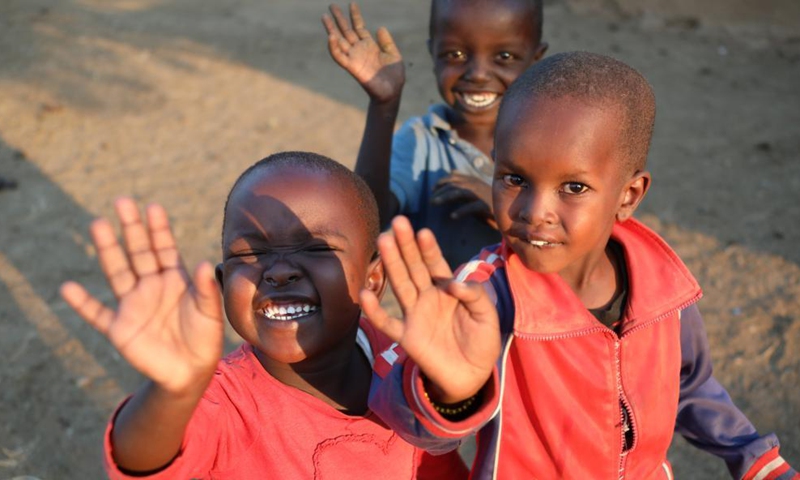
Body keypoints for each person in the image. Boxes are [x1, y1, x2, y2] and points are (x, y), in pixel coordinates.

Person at [360, 53, 799, 479]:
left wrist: (752, 457)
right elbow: (414, 429)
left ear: (628, 196)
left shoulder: (663, 287)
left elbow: (689, 386)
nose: (535, 211)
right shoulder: (485, 296)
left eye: (573, 186)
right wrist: (446, 392)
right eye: (515, 179)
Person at [60, 152, 468, 479]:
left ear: (372, 277)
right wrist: (175, 393)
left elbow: (442, 443)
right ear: (222, 282)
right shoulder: (225, 402)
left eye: (315, 248)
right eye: (249, 254)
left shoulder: (400, 355)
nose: (278, 271)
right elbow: (141, 461)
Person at [322, 0, 548, 267]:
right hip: (445, 307)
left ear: (536, 59)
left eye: (505, 57)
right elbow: (368, 221)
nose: (477, 74)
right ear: (433, 54)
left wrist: (505, 210)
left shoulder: (552, 140)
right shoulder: (421, 142)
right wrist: (384, 104)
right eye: (456, 55)